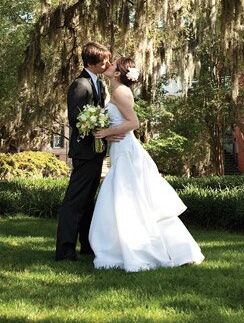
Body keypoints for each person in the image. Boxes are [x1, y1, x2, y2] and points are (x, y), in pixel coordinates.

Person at [88, 56, 204, 272]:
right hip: (120, 149)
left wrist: (106, 132)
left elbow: (134, 123)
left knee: (130, 198)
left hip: (126, 152)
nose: (108, 65)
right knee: (131, 198)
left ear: (117, 73)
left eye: (112, 65)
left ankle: (141, 250)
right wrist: (108, 134)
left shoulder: (120, 92)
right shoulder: (116, 91)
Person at [55, 41, 124, 261]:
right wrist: (102, 130)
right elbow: (76, 120)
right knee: (75, 201)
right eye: (104, 59)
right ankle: (65, 251)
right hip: (84, 152)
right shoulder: (80, 85)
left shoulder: (98, 84)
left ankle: (87, 245)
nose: (108, 63)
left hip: (96, 151)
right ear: (91, 62)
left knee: (87, 201)